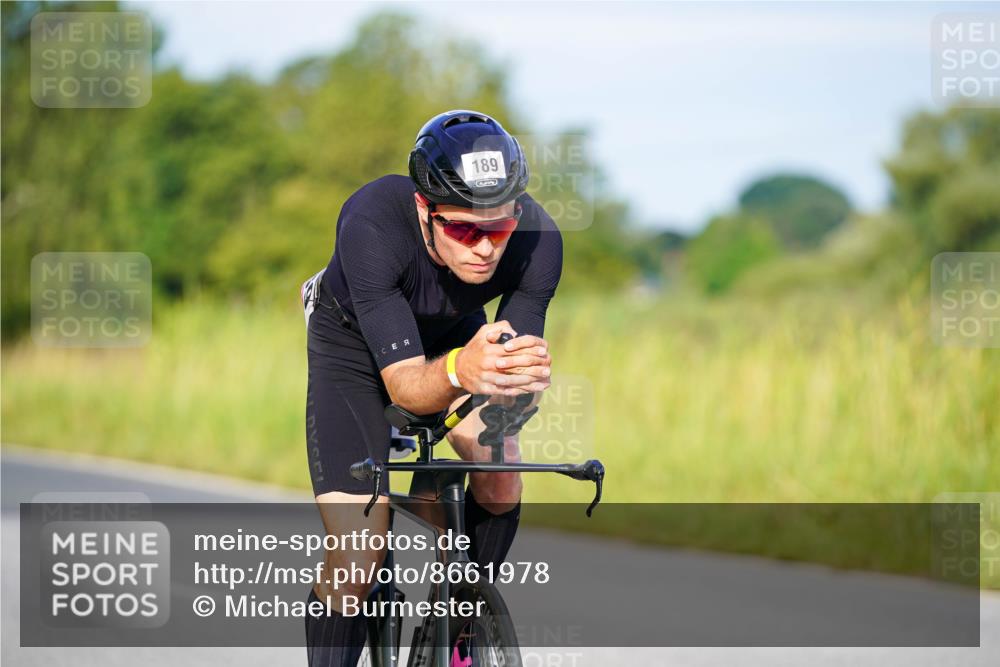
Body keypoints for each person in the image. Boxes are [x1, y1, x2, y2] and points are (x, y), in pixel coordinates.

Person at [302, 109, 562, 666]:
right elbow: (404, 387)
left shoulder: (539, 243)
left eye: (498, 228)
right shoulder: (371, 222)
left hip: (452, 336)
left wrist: (520, 389)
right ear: (425, 210)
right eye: (465, 229)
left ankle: (460, 629)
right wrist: (458, 374)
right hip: (353, 351)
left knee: (500, 478)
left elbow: (506, 383)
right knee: (357, 559)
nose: (486, 249)